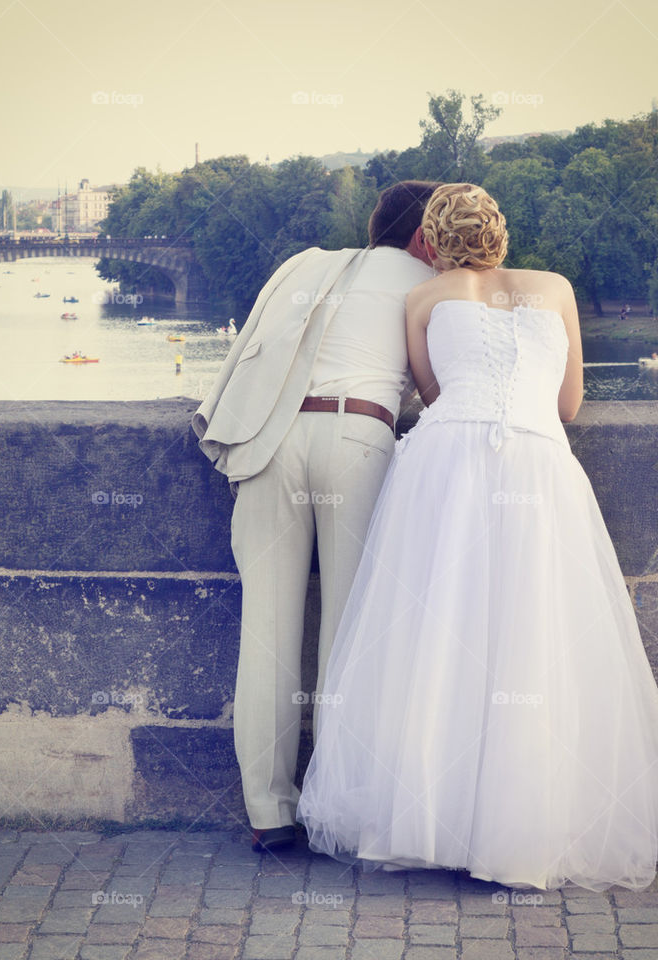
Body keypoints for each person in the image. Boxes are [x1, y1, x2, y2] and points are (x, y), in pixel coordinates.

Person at [296, 183, 658, 890]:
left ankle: (432, 815)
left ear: (433, 240)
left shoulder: (425, 301)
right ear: (500, 229)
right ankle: (525, 821)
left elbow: (432, 393)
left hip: (446, 465)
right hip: (538, 462)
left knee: (438, 629)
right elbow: (568, 403)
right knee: (534, 632)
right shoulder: (555, 288)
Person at [193, 181, 439, 853]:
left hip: (272, 439)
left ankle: (268, 813)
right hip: (358, 439)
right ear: (423, 238)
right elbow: (442, 388)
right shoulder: (429, 285)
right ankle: (337, 809)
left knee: (266, 637)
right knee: (349, 633)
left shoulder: (302, 266)